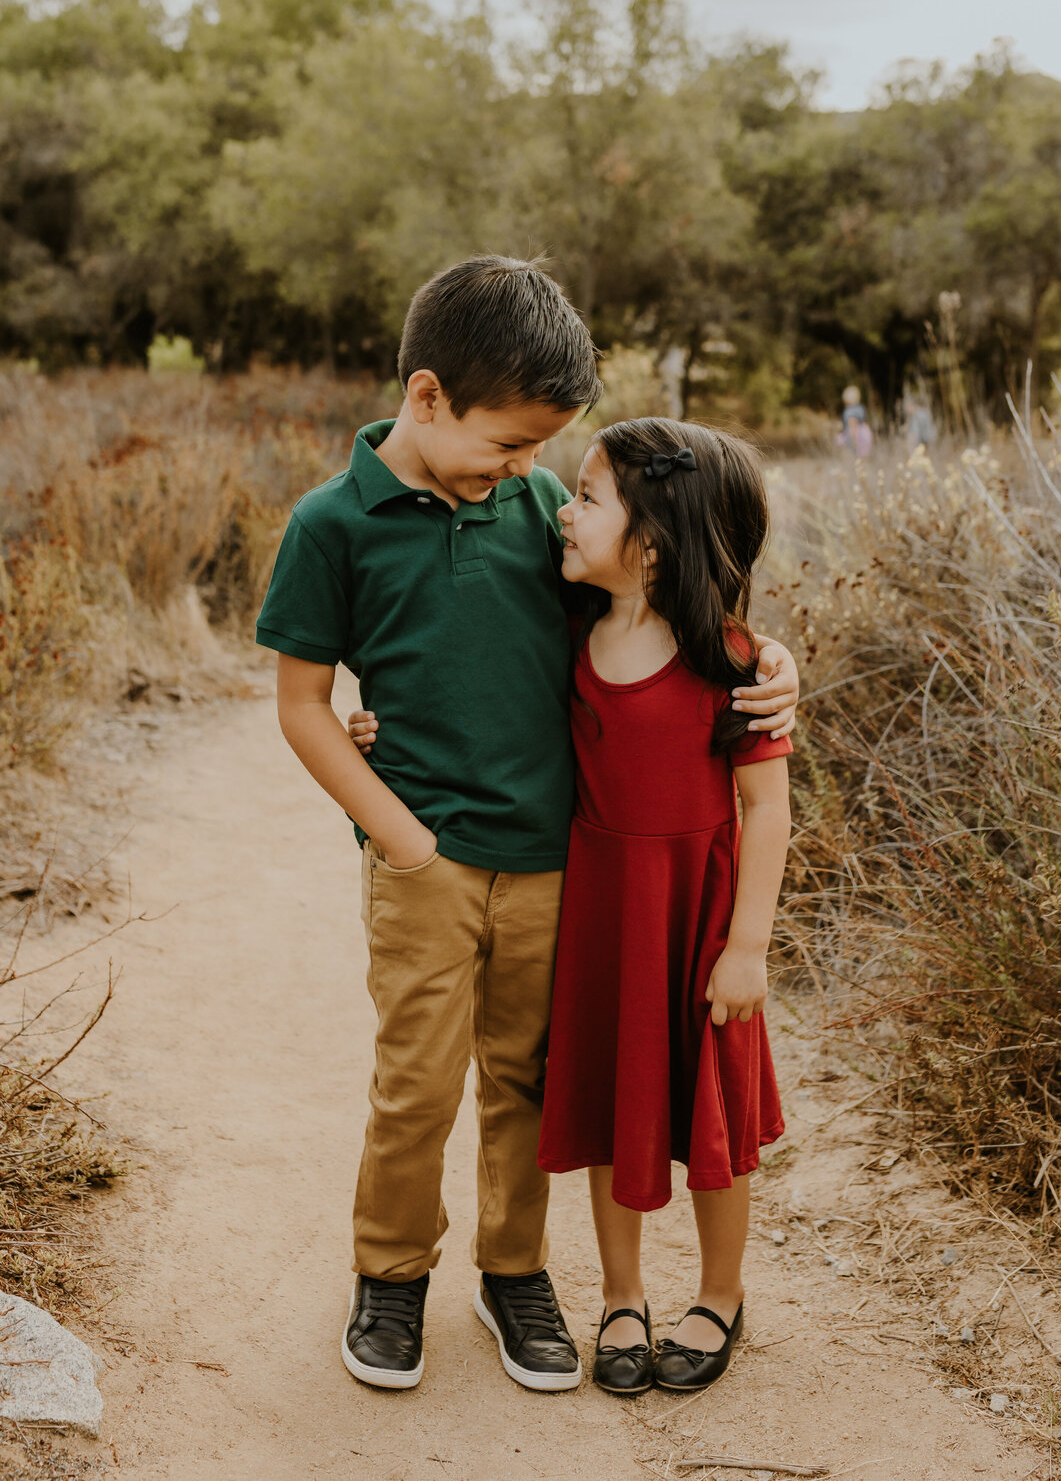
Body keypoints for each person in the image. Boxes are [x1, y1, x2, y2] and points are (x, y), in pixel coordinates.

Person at [258, 256, 800, 1396]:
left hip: (558, 862)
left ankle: (516, 1271)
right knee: (417, 1079)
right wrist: (397, 833)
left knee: (529, 1081)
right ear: (424, 397)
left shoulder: (545, 511)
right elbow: (304, 700)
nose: (528, 469)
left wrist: (769, 665)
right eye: (508, 444)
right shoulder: (332, 524)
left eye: (543, 451)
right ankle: (392, 1271)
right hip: (425, 861)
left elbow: (654, 614)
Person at [538, 418, 792, 1398]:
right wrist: (372, 719)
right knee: (616, 1102)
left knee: (710, 1115)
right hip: (607, 919)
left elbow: (768, 810)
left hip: (699, 920)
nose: (567, 508)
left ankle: (721, 1292)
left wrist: (747, 946)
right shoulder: (569, 640)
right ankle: (621, 1289)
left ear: (649, 543)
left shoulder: (728, 659)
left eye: (591, 496)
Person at [836, 384, 873, 459]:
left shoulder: (849, 411)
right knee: (863, 457)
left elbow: (852, 425)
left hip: (855, 435)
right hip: (865, 432)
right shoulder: (860, 408)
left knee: (853, 456)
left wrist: (854, 439)